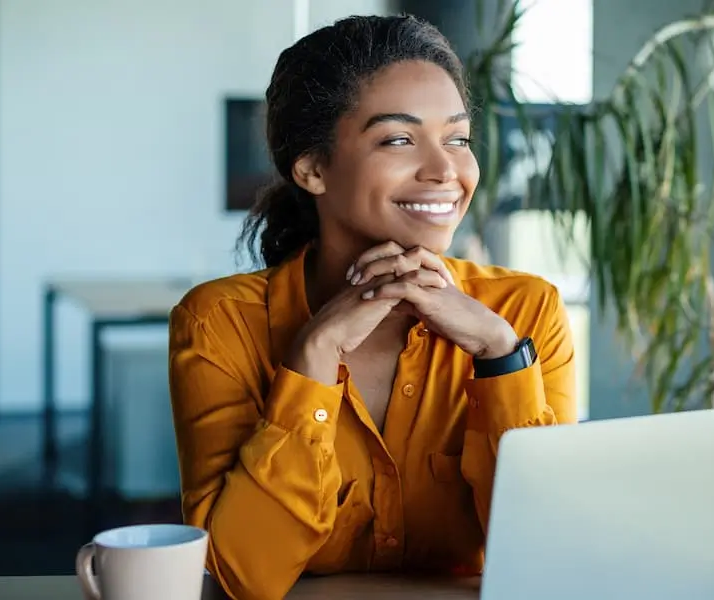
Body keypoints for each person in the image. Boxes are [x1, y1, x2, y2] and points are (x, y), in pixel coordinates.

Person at [168, 14, 577, 600]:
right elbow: (239, 577)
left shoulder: (522, 313)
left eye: (457, 138)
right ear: (311, 168)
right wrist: (312, 357)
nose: (446, 172)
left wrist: (500, 358)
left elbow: (553, 556)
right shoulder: (219, 323)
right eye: (398, 139)